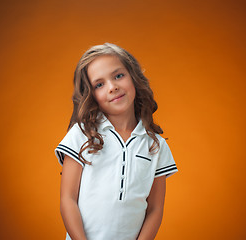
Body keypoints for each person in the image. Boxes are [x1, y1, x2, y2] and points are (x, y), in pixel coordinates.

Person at [54, 43, 178, 240]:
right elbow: (68, 199)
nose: (113, 87)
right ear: (91, 94)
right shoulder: (81, 135)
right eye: (99, 84)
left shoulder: (156, 146)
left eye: (118, 75)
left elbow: (155, 209)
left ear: (133, 77)